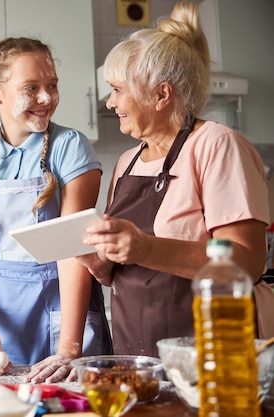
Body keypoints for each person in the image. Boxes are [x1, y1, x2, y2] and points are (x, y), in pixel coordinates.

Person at [78, 1, 270, 357]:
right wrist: (96, 259)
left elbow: (246, 261)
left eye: (119, 90)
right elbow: (120, 273)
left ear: (161, 94)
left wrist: (147, 248)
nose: (110, 102)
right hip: (138, 357)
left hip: (209, 356)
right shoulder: (126, 162)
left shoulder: (216, 145)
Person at [0, 37, 112, 383]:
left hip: (64, 323)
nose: (46, 98)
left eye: (52, 86)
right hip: (4, 329)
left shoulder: (70, 148)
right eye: (32, 87)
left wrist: (70, 349)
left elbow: (75, 249)